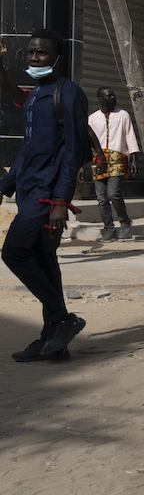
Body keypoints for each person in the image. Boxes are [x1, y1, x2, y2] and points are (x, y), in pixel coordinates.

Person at [0, 30, 89, 362]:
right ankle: (55, 341)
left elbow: (73, 150)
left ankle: (62, 319)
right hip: (28, 189)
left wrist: (61, 201)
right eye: (32, 54)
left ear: (58, 58)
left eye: (43, 54)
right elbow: (28, 148)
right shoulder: (37, 94)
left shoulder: (70, 94)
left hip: (47, 195)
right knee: (43, 259)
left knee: (13, 254)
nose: (35, 59)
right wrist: (5, 185)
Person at [87, 86, 139, 242]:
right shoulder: (92, 118)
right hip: (99, 159)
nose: (112, 98)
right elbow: (87, 142)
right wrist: (81, 165)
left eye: (113, 95)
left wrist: (133, 158)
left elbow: (129, 135)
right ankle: (109, 229)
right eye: (108, 96)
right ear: (100, 99)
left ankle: (124, 221)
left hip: (118, 157)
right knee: (102, 197)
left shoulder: (123, 115)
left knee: (113, 193)